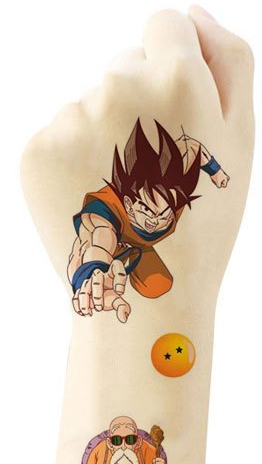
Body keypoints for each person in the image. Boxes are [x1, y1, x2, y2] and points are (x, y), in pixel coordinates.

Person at [68, 119, 228, 322]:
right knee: (93, 251)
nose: (155, 220)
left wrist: (216, 171)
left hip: (138, 245)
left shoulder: (175, 193)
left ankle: (130, 256)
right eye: (147, 210)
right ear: (128, 203)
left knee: (158, 284)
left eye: (164, 215)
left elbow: (191, 147)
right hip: (112, 246)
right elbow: (95, 242)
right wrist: (92, 276)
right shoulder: (104, 212)